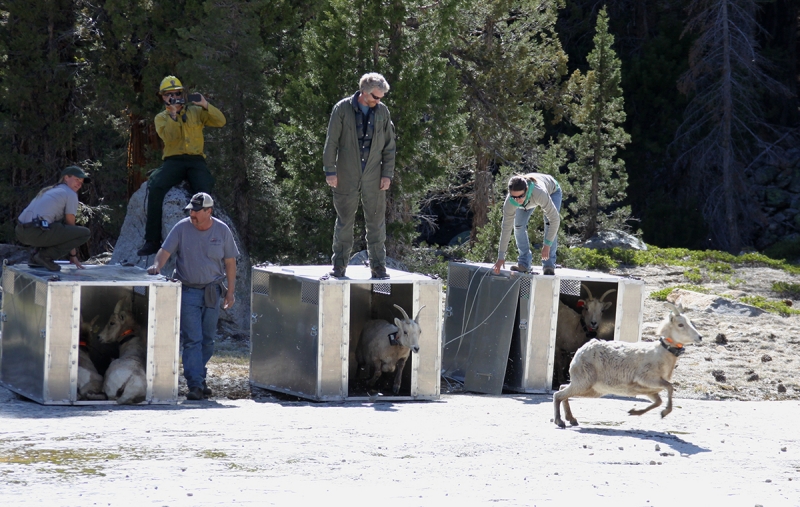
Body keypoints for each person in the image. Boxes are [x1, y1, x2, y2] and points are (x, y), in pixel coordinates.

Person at [146, 192, 239, 401]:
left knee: (208, 340)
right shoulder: (181, 227)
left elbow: (230, 263)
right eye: (191, 210)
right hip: (188, 290)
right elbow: (165, 251)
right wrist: (156, 265)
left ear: (209, 211)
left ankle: (199, 376)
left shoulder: (222, 231)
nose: (193, 214)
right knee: (192, 340)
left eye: (197, 211)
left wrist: (230, 292)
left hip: (212, 291)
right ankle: (195, 384)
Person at [137, 75, 226, 257]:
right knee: (156, 185)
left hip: (195, 160)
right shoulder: (161, 117)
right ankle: (152, 240)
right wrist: (173, 114)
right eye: (168, 94)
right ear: (162, 97)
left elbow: (220, 121)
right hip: (174, 160)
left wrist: (205, 104)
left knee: (204, 188)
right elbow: (169, 137)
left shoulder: (195, 111)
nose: (173, 97)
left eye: (176, 93)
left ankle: (208, 235)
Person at [323, 72, 397, 279]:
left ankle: (378, 267)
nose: (378, 100)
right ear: (364, 92)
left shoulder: (383, 112)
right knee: (345, 221)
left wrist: (387, 174)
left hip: (374, 175)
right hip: (346, 173)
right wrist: (330, 170)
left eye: (381, 97)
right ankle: (339, 266)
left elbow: (390, 147)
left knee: (376, 222)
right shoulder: (342, 109)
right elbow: (331, 142)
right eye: (375, 97)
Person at [16, 166, 92, 272]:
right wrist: (73, 255)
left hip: (20, 231)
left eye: (81, 182)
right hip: (35, 232)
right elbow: (70, 224)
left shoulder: (50, 190)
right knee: (85, 233)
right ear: (66, 178)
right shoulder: (70, 193)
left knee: (55, 226)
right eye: (77, 179)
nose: (79, 184)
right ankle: (44, 257)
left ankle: (35, 257)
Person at [492, 173, 562, 276]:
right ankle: (524, 264)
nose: (518, 200)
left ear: (526, 189)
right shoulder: (510, 202)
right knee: (518, 226)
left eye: (521, 196)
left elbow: (555, 220)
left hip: (552, 191)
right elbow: (506, 229)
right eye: (514, 197)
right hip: (528, 202)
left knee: (548, 222)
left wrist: (547, 244)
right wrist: (501, 257)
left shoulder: (539, 193)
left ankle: (549, 265)